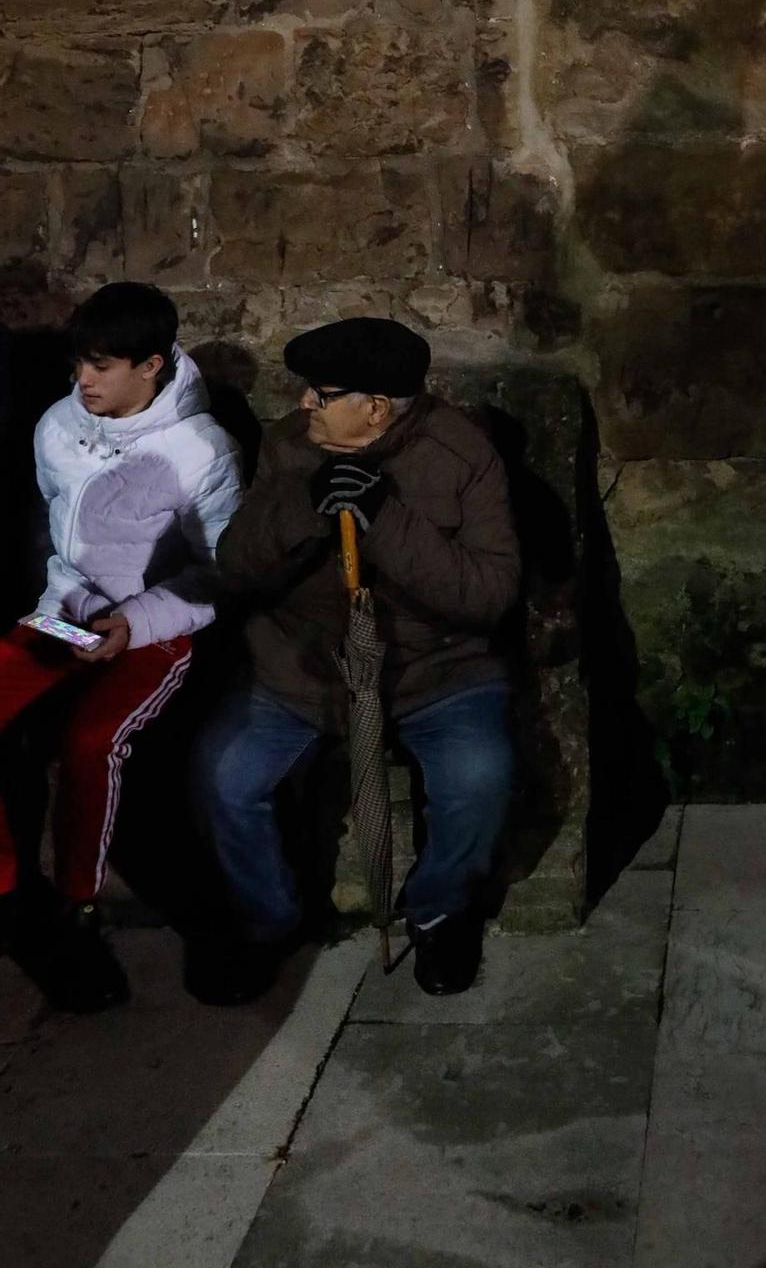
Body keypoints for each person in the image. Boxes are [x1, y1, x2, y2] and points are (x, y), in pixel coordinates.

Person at [191, 317, 521, 1004]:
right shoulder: (290, 445)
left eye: (322, 392)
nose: (305, 403)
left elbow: (487, 595)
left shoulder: (463, 456)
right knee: (226, 776)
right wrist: (303, 508)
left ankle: (437, 910)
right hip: (303, 667)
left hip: (433, 670)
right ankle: (269, 919)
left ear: (374, 407)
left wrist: (386, 517)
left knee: (480, 776)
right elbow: (237, 566)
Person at [0, 282, 243, 1011]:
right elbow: (53, 534)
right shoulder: (57, 425)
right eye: (80, 363)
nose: (85, 380)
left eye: (103, 366)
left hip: (147, 629)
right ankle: (13, 894)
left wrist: (135, 622)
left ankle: (79, 905)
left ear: (153, 365)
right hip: (64, 615)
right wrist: (60, 609)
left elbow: (222, 571)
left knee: (90, 742)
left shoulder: (200, 450)